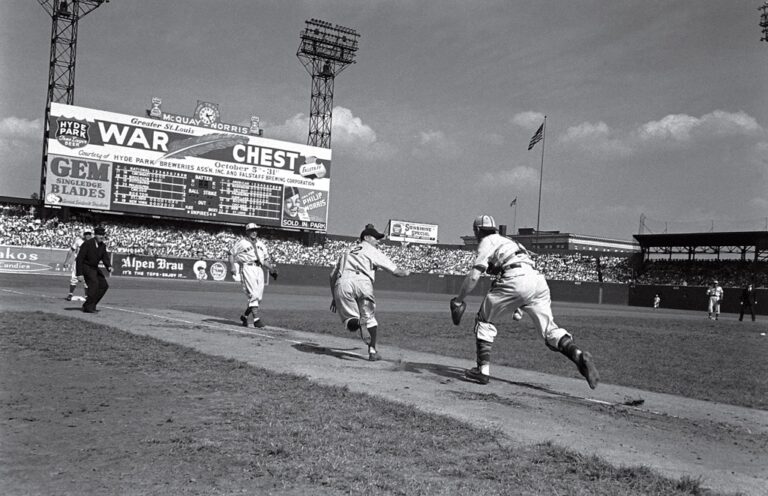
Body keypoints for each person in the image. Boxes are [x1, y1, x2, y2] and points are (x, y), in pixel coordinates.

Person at [452, 214, 599, 389]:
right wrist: (518, 307)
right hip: (537, 280)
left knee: (484, 320)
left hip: (516, 278)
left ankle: (482, 371)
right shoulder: (511, 242)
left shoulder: (487, 242)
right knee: (550, 330)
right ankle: (578, 354)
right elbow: (521, 279)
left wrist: (459, 300)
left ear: (477, 230)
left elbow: (475, 275)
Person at [329, 224, 410, 361]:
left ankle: (360, 323)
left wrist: (334, 296)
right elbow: (397, 272)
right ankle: (372, 352)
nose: (378, 241)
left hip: (343, 283)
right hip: (363, 282)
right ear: (366, 238)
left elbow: (332, 276)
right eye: (375, 238)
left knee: (350, 321)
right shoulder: (372, 250)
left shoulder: (347, 251)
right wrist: (407, 272)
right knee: (370, 319)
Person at [229, 223, 278, 328]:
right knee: (253, 294)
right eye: (251, 230)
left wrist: (272, 270)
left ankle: (245, 316)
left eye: (255, 230)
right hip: (248, 268)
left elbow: (264, 260)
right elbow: (231, 253)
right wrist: (232, 266)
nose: (254, 232)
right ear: (247, 232)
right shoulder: (241, 243)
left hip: (259, 269)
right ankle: (256, 319)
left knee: (258, 297)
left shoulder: (261, 244)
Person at [75, 226, 113, 313]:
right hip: (86, 267)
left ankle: (90, 304)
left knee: (104, 286)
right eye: (100, 235)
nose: (101, 236)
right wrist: (79, 274)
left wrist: (109, 266)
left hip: (94, 268)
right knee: (94, 285)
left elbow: (105, 257)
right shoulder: (87, 244)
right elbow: (79, 259)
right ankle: (89, 307)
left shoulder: (102, 246)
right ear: (95, 235)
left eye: (103, 235)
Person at [63, 230, 92, 300]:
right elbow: (71, 251)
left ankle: (87, 296)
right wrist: (66, 261)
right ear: (84, 235)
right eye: (86, 234)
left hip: (88, 263)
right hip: (78, 262)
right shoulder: (78, 241)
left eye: (89, 234)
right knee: (74, 278)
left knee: (87, 280)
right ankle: (70, 294)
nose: (88, 235)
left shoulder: (93, 242)